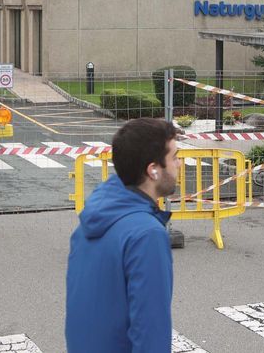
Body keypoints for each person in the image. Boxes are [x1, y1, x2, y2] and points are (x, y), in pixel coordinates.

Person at [65, 117, 181, 352]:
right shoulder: (147, 235)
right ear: (153, 170)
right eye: (175, 157)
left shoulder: (95, 217)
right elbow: (150, 331)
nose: (179, 164)